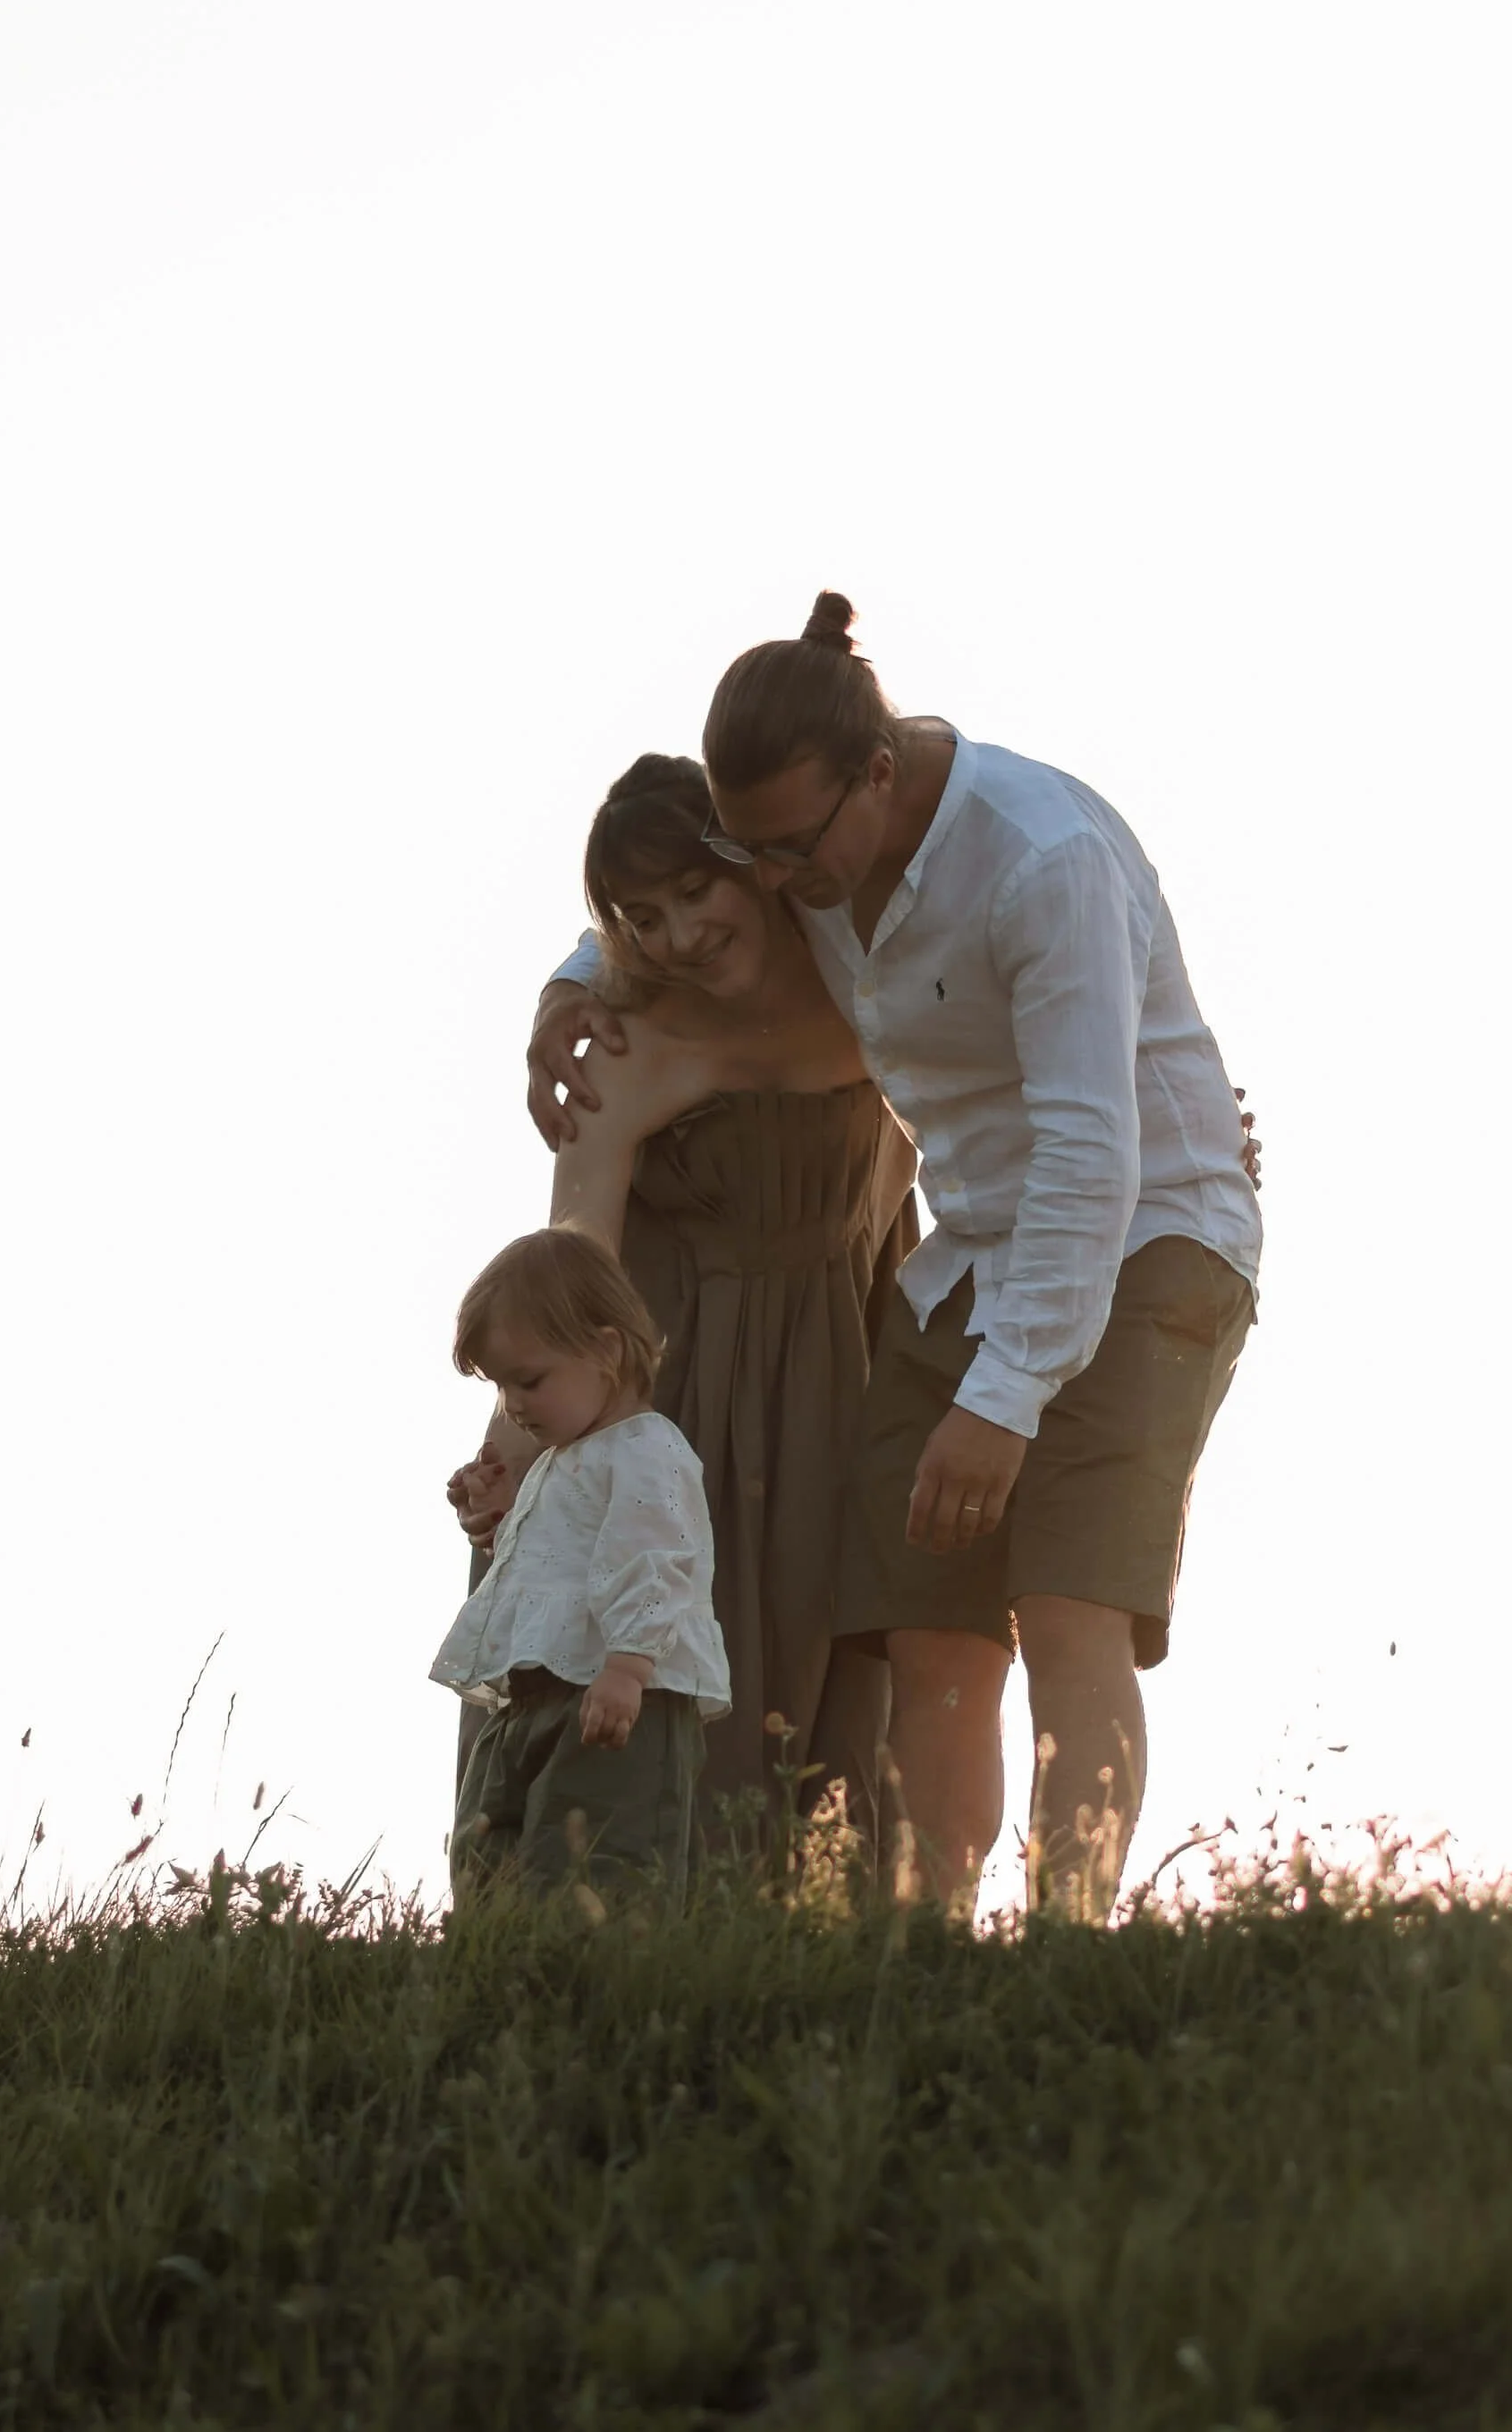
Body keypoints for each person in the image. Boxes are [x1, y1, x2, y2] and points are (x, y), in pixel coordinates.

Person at [526, 597, 1263, 1918]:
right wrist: (574, 978)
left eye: (790, 851)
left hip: (1148, 1236)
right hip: (973, 1251)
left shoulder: (1041, 860)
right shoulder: (801, 850)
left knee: (1068, 1602)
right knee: (932, 1630)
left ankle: (1068, 1953)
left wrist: (1003, 1399)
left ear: (877, 772)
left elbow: (1095, 1155)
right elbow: (672, 890)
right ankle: (927, 1953)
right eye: (750, 853)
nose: (775, 882)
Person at [452, 756, 918, 1854]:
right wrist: (508, 1448)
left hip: (844, 1375)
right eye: (640, 916)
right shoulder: (627, 1040)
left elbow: (965, 1130)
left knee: (840, 1711)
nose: (676, 934)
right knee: (657, 1696)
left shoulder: (880, 992)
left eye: (695, 892)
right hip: (681, 1392)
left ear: (756, 869)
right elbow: (573, 1262)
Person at [434, 1226, 729, 1904]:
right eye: (502, 1386)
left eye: (528, 1379)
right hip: (539, 1696)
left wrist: (627, 1666)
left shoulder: (647, 1449)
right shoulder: (566, 1459)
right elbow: (561, 1562)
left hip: (621, 1697)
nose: (512, 1405)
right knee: (493, 1861)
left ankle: (595, 1996)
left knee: (600, 1865)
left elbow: (656, 1559)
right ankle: (503, 1981)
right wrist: (504, 1518)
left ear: (606, 1350)